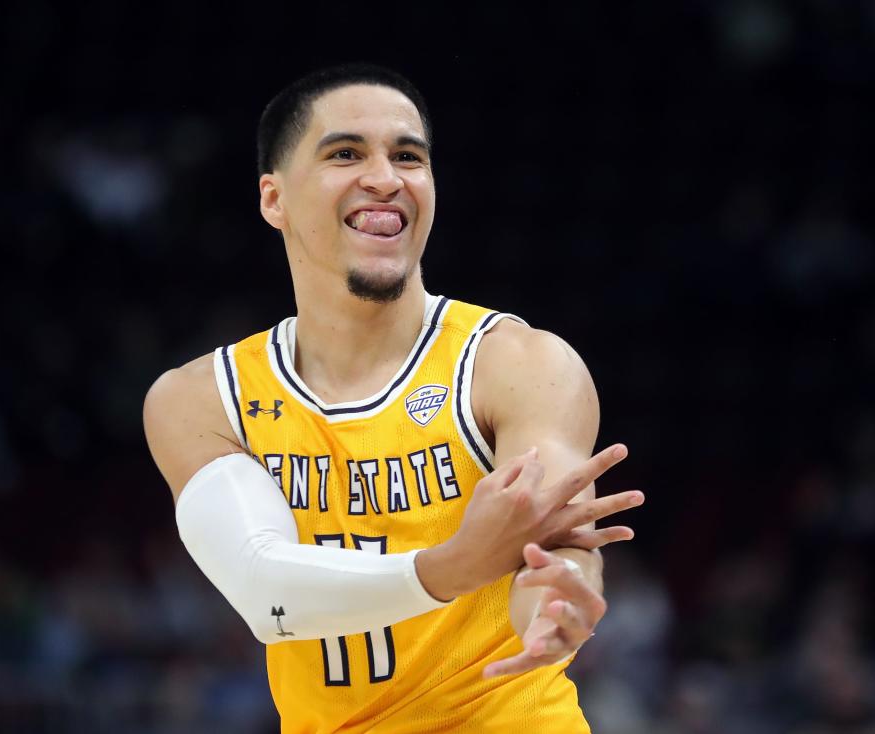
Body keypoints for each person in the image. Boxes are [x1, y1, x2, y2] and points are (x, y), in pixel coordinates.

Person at [143, 63, 645, 733]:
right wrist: (448, 568)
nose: (386, 177)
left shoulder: (517, 362)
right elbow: (266, 594)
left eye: (408, 156)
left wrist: (555, 604)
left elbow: (550, 547)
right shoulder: (202, 400)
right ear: (274, 199)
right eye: (346, 153)